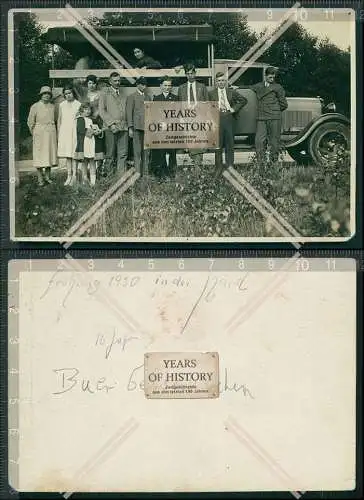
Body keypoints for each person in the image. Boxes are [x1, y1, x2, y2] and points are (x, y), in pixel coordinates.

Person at [209, 72, 247, 177]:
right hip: (217, 119)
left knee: (230, 145)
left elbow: (243, 100)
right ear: (216, 82)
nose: (221, 82)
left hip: (229, 119)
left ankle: (230, 168)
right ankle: (218, 168)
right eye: (219, 81)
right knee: (218, 146)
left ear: (225, 82)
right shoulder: (211, 93)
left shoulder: (231, 92)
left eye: (222, 80)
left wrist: (234, 108)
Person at [251, 66, 288, 164]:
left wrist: (274, 110)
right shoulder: (258, 86)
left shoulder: (278, 87)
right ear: (265, 76)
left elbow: (284, 104)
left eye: (273, 77)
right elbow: (250, 88)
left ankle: (273, 164)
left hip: (274, 117)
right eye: (270, 77)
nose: (272, 79)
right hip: (262, 117)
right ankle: (261, 164)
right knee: (259, 141)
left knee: (274, 142)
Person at [177, 63, 209, 167]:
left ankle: (197, 169)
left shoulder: (202, 87)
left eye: (192, 73)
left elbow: (207, 103)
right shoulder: (181, 88)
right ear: (185, 75)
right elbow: (179, 105)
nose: (190, 75)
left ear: (195, 73)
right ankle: (197, 169)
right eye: (188, 74)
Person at [98, 72, 128, 176]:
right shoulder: (104, 93)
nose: (117, 82)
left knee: (123, 154)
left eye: (119, 80)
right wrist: (111, 124)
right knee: (110, 153)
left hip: (123, 127)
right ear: (110, 81)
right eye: (115, 81)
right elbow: (102, 110)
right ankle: (109, 178)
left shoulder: (123, 94)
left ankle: (121, 178)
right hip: (110, 127)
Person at [27, 85, 57, 186]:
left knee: (49, 154)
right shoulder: (35, 106)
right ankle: (40, 178)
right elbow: (30, 122)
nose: (46, 96)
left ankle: (48, 177)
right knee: (39, 156)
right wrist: (34, 133)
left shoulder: (52, 106)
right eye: (44, 94)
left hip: (50, 132)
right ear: (41, 95)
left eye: (48, 94)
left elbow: (55, 119)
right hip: (39, 132)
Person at [150, 76, 178, 180]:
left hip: (172, 130)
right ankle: (161, 175)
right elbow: (154, 115)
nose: (167, 87)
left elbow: (179, 115)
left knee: (172, 153)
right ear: (161, 86)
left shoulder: (176, 98)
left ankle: (172, 174)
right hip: (161, 131)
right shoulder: (156, 98)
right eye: (165, 85)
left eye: (169, 86)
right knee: (161, 153)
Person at [126, 76, 152, 177]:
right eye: (142, 84)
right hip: (136, 128)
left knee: (146, 153)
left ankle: (145, 175)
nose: (144, 86)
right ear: (137, 85)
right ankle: (137, 174)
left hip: (147, 129)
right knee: (137, 152)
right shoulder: (131, 97)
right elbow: (129, 113)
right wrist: (130, 128)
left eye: (145, 84)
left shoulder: (148, 97)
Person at [74, 102, 103, 186]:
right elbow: (81, 130)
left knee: (92, 161)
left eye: (89, 109)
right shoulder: (80, 119)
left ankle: (93, 181)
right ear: (81, 110)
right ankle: (84, 179)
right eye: (85, 109)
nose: (87, 111)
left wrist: (97, 131)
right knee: (84, 161)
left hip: (92, 142)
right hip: (84, 142)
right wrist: (93, 131)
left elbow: (94, 128)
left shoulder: (91, 120)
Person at [57, 85, 81, 186]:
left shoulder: (78, 104)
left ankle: (75, 176)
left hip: (74, 131)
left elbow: (80, 120)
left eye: (69, 93)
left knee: (74, 154)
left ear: (73, 93)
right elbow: (59, 119)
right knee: (68, 155)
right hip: (65, 131)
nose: (68, 95)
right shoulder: (62, 105)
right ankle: (69, 175)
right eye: (66, 94)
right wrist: (59, 132)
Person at [85, 74, 105, 173]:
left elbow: (103, 107)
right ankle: (89, 168)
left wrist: (98, 115)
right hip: (88, 121)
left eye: (93, 83)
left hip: (98, 120)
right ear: (87, 84)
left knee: (99, 144)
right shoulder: (84, 94)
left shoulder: (100, 94)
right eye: (89, 83)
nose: (92, 85)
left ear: (96, 84)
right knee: (89, 142)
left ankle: (99, 168)